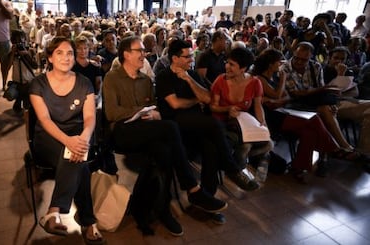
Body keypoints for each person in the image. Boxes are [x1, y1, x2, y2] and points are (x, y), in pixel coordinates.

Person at [103, 36, 227, 236]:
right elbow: (111, 113)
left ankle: (163, 209)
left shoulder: (145, 80)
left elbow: (156, 108)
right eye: (140, 50)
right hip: (123, 132)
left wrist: (153, 113)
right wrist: (142, 110)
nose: (145, 54)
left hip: (147, 130)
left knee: (165, 152)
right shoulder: (112, 77)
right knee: (170, 127)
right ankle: (192, 188)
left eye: (144, 50)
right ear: (126, 54)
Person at [155, 40, 260, 224]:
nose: (191, 59)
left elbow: (208, 98)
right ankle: (232, 168)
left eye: (191, 55)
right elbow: (175, 104)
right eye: (187, 56)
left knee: (211, 147)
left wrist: (188, 79)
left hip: (197, 125)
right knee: (214, 124)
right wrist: (195, 101)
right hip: (176, 126)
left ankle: (206, 201)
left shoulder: (192, 74)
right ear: (175, 58)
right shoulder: (164, 76)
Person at [29, 36, 105, 244]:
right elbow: (44, 119)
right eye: (59, 53)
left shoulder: (84, 82)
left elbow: (90, 117)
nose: (66, 57)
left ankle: (54, 212)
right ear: (50, 58)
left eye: (70, 53)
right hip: (47, 137)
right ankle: (86, 220)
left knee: (77, 160)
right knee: (74, 156)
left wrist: (83, 138)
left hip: (78, 135)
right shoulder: (38, 84)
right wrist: (69, 142)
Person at [253, 48, 340, 182]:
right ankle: (334, 149)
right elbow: (276, 95)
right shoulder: (260, 78)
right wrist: (282, 83)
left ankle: (299, 167)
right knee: (314, 119)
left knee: (309, 132)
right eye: (278, 62)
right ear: (270, 64)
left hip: (281, 111)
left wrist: (277, 100)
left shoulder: (274, 77)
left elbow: (285, 97)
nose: (281, 64)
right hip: (270, 117)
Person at [210, 47, 273, 183]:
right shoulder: (220, 80)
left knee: (268, 143)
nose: (227, 66)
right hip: (222, 122)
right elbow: (213, 106)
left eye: (232, 64)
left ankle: (234, 165)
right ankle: (237, 173)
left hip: (242, 123)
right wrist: (227, 109)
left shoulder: (255, 82)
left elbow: (258, 106)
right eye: (227, 62)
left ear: (243, 68)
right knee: (245, 145)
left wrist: (263, 124)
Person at [7, 29, 37, 114]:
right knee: (16, 96)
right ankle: (18, 103)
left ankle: (24, 108)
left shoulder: (30, 50)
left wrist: (27, 54)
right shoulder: (12, 52)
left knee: (27, 104)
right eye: (16, 40)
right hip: (17, 81)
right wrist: (13, 53)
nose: (20, 41)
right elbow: (8, 67)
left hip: (28, 81)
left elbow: (35, 66)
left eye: (21, 38)